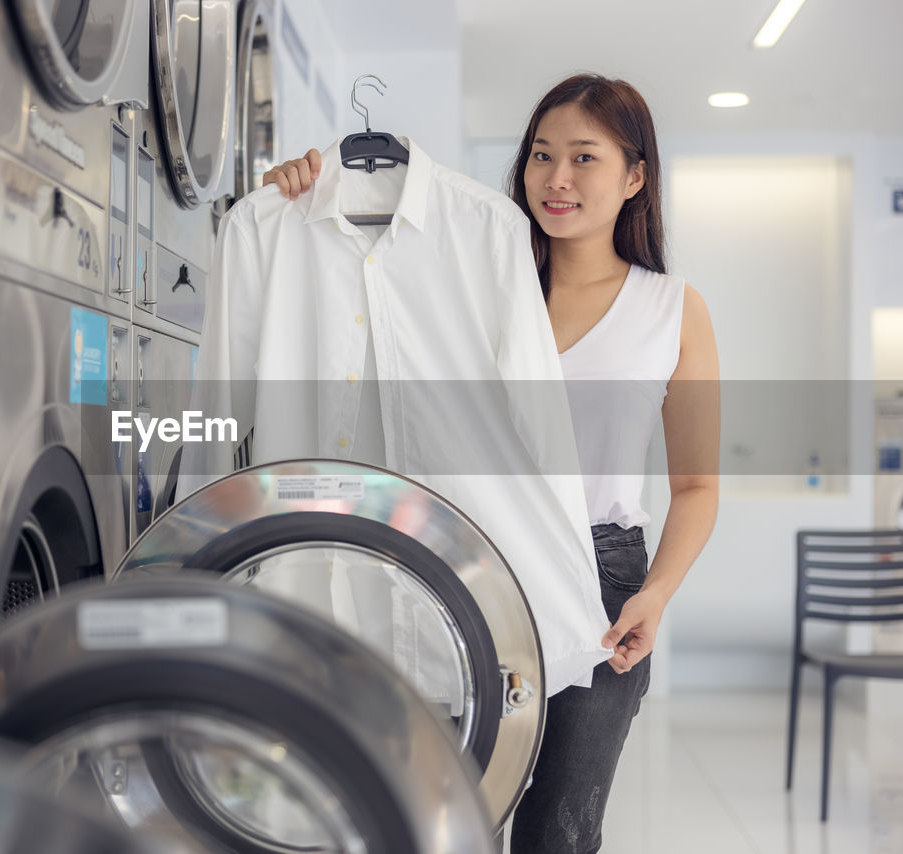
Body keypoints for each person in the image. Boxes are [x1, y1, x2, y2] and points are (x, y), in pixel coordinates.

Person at [262, 74, 720, 853]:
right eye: (541, 156)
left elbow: (697, 485)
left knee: (561, 829)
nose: (557, 179)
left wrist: (657, 593)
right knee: (444, 813)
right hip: (460, 562)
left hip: (605, 577)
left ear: (636, 176)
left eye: (584, 158)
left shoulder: (671, 309)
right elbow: (360, 280)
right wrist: (305, 193)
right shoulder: (467, 276)